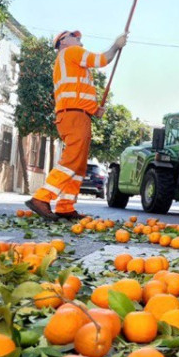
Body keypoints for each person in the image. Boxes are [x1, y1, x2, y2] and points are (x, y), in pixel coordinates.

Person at [26, 30, 126, 220]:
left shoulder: (69, 61)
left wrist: (95, 109)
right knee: (72, 160)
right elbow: (102, 60)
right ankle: (41, 197)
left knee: (78, 166)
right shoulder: (71, 52)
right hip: (74, 116)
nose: (78, 38)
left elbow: (77, 92)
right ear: (62, 42)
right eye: (73, 35)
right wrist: (116, 45)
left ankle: (65, 206)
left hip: (75, 115)